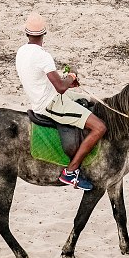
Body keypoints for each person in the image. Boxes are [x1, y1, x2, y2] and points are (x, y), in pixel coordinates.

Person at [15, 13, 106, 191]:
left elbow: (45, 81)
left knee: (93, 101)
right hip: (50, 104)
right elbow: (60, 87)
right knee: (100, 127)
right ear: (44, 33)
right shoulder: (43, 56)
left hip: (45, 97)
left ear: (27, 33)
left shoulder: (22, 51)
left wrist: (68, 82)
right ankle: (71, 172)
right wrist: (71, 76)